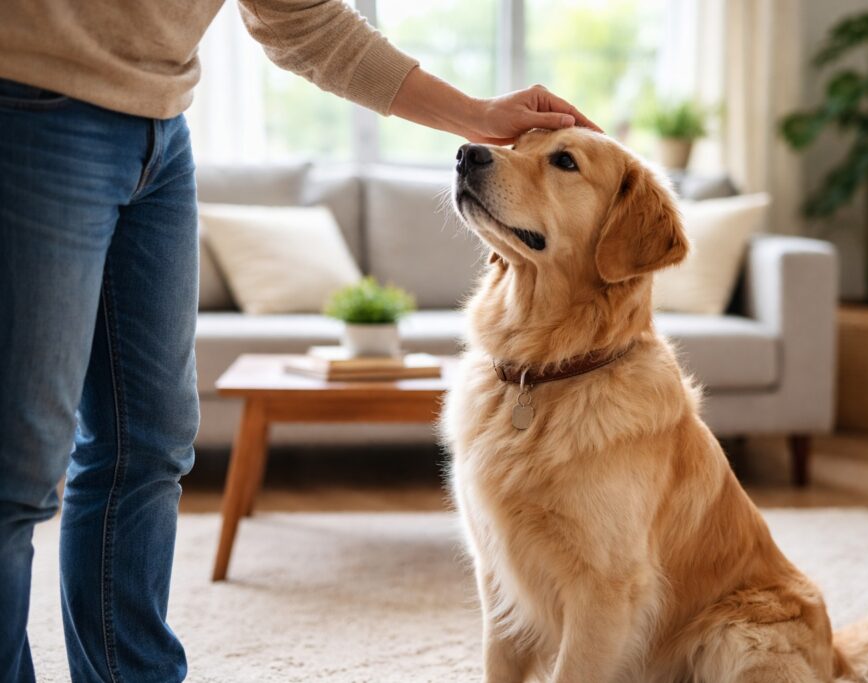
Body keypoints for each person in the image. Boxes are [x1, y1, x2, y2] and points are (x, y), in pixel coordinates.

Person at [0, 1, 599, 681]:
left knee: (149, 443)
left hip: (161, 129)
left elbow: (305, 20)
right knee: (18, 466)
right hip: (28, 105)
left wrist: (477, 117)